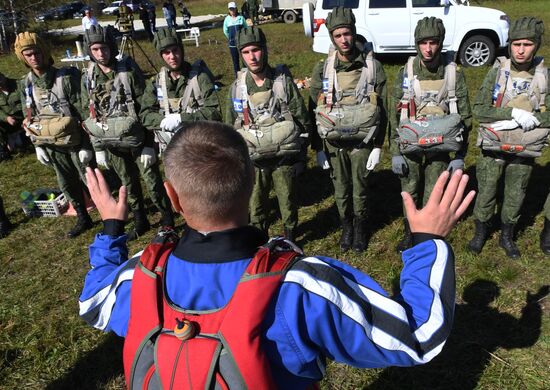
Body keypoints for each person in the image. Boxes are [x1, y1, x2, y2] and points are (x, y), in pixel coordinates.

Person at [79, 120, 475, 388]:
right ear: (252, 183)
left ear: (171, 196)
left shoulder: (139, 277)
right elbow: (419, 335)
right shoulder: (302, 286)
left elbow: (94, 301)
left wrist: (112, 230)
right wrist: (427, 241)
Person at [81, 25, 174, 240]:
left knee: (152, 181)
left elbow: (147, 106)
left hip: (137, 139)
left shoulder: (128, 71)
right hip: (111, 141)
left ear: (111, 47)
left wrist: (150, 143)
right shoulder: (89, 77)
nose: (100, 54)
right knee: (127, 182)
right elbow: (90, 111)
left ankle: (166, 217)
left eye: (103, 48)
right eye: (95, 49)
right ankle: (140, 219)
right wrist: (98, 147)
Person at [389, 17, 472, 252]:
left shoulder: (453, 73)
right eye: (423, 42)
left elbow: (465, 117)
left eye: (433, 42)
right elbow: (395, 118)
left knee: (435, 186)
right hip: (411, 141)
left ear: (441, 43)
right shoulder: (405, 73)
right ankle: (410, 231)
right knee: (410, 187)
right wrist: (395, 152)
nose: (428, 48)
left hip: (442, 144)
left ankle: (428, 235)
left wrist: (459, 156)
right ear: (417, 44)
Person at [468, 17, 549, 258]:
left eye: (527, 44)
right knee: (487, 191)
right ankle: (480, 231)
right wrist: (511, 113)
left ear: (536, 45)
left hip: (524, 147)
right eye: (516, 44)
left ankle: (507, 234)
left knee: (516, 193)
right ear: (509, 44)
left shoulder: (544, 77)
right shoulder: (497, 71)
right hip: (493, 146)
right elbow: (479, 109)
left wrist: (530, 119)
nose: (521, 50)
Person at [309, 7, 387, 252]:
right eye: (338, 35)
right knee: (341, 189)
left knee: (360, 187)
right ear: (332, 37)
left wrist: (378, 146)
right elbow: (313, 110)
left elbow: (384, 110)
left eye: (347, 34)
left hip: (363, 140)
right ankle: (347, 225)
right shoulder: (323, 70)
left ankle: (361, 225)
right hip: (333, 141)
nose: (344, 40)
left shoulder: (372, 67)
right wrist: (318, 148)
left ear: (354, 33)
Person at [226, 27, 310, 241]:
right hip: (254, 159)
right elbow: (229, 128)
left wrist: (302, 157)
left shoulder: (282, 83)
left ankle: (290, 238)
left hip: (284, 155)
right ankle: (259, 239)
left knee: (287, 200)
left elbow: (302, 119)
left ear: (265, 50)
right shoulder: (237, 89)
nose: (252, 57)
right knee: (255, 203)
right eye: (246, 52)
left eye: (256, 50)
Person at [14, 32, 94, 238]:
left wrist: (88, 144)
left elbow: (83, 110)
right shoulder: (26, 85)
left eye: (36, 53)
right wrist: (37, 145)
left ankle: (109, 213)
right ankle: (83, 216)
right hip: (50, 142)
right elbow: (27, 116)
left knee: (91, 180)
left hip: (75, 140)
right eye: (28, 54)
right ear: (23, 57)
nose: (33, 58)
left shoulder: (66, 78)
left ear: (44, 52)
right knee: (66, 182)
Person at [140, 27, 222, 153]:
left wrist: (182, 119)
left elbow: (214, 112)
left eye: (175, 50)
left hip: (199, 148)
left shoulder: (199, 78)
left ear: (181, 50)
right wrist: (163, 121)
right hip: (171, 150)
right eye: (166, 53)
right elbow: (145, 115)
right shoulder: (156, 82)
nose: (172, 56)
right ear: (161, 56)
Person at [0, 72, 22, 162]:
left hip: (24, 118)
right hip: (8, 122)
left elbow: (28, 103)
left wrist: (28, 118)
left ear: (3, 76)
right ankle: (3, 152)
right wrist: (6, 118)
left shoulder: (19, 84)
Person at [223, 2, 247, 77]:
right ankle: (238, 77)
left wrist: (243, 37)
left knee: (244, 59)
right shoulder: (227, 19)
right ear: (229, 10)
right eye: (230, 9)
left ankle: (246, 75)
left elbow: (245, 28)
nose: (232, 11)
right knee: (235, 61)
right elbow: (225, 31)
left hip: (242, 43)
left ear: (236, 9)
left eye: (233, 9)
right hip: (232, 44)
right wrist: (230, 38)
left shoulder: (241, 18)